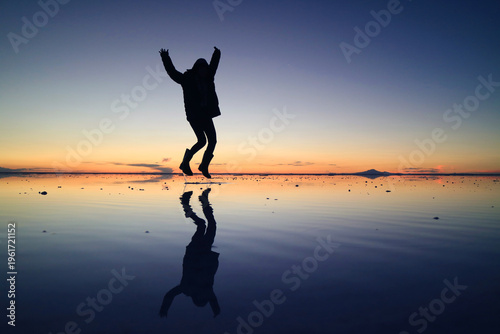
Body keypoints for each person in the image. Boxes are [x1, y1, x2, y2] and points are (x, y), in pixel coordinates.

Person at [159, 47, 221, 178]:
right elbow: (172, 72)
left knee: (212, 141)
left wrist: (217, 53)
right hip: (194, 116)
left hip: (205, 115)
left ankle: (203, 165)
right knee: (202, 141)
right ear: (197, 69)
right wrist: (165, 58)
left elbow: (214, 66)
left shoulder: (209, 78)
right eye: (201, 68)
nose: (204, 71)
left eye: (205, 68)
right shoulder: (187, 79)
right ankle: (186, 162)